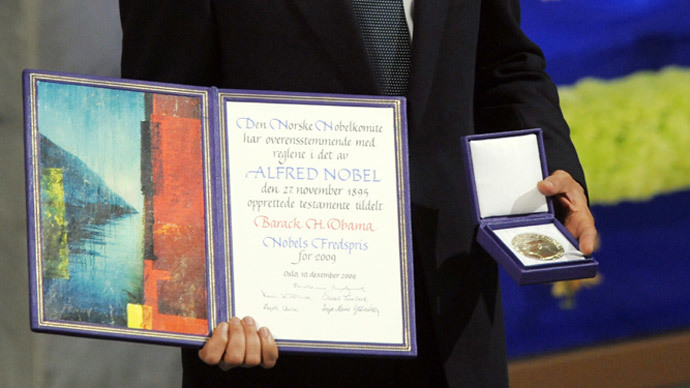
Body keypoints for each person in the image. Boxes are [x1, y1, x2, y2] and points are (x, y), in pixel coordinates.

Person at [119, 0, 597, 386]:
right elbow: (163, 123)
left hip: (453, 317)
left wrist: (556, 172)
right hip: (276, 345)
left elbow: (504, 64)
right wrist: (198, 308)